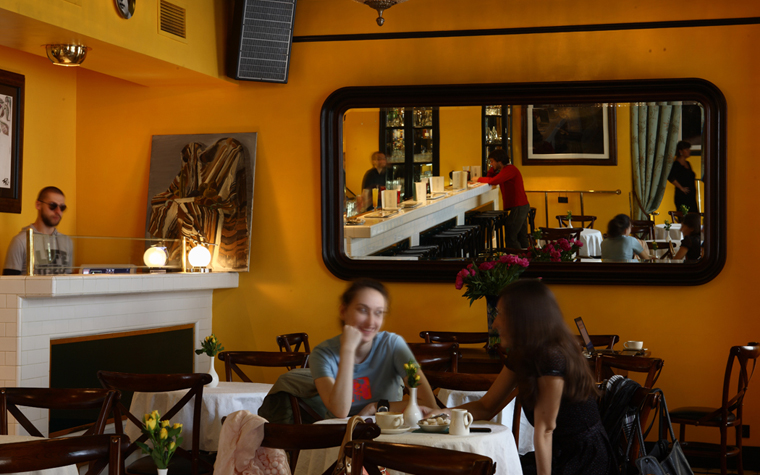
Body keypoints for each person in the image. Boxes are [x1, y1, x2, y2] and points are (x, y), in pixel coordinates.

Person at [446, 280, 618, 475]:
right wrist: (438, 414)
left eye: (501, 313)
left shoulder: (551, 356)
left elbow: (545, 430)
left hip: (582, 461)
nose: (494, 323)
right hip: (556, 453)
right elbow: (486, 407)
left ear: (523, 318)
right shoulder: (523, 353)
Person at [310, 278, 437, 418]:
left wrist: (375, 407)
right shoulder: (321, 354)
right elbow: (340, 412)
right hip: (341, 434)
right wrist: (348, 350)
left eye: (378, 313)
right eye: (362, 310)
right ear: (343, 311)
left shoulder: (393, 344)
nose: (371, 322)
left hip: (387, 432)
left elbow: (429, 403)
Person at [3, 186, 73, 275]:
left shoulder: (67, 242)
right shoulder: (20, 241)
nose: (58, 211)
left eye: (62, 208)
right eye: (52, 206)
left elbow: (70, 282)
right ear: (38, 205)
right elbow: (9, 285)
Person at [476, 148, 530, 249]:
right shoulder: (506, 169)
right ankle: (527, 260)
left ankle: (515, 261)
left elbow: (494, 181)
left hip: (518, 206)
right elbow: (491, 176)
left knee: (511, 236)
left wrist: (477, 179)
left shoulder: (510, 170)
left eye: (492, 161)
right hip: (521, 206)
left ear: (499, 161)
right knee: (521, 237)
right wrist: (494, 168)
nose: (491, 164)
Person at [667, 140, 699, 214]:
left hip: (691, 196)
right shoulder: (676, 165)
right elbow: (670, 176)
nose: (689, 151)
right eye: (687, 149)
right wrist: (681, 188)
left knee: (693, 216)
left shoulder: (688, 163)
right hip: (682, 196)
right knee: (684, 216)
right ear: (680, 151)